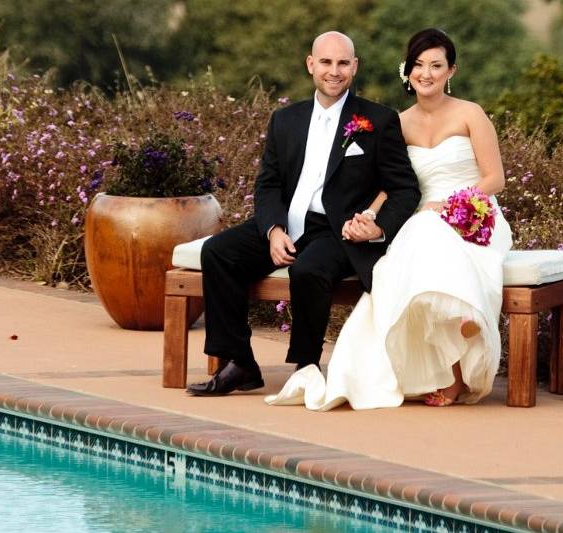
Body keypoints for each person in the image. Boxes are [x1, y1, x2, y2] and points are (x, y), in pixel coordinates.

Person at [266, 28, 513, 409]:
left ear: (452, 71)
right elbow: (390, 184)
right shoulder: (397, 121)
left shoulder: (470, 113)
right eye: (418, 65)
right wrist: (368, 214)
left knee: (429, 231)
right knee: (396, 262)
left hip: (473, 214)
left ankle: (458, 359)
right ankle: (441, 352)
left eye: (436, 65)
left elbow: (494, 177)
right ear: (407, 71)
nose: (426, 74)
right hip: (420, 216)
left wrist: (451, 207)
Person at [187, 31, 420, 397]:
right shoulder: (285, 120)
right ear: (311, 65)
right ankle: (240, 362)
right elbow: (267, 185)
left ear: (354, 67)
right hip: (288, 223)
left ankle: (306, 366)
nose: (334, 71)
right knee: (218, 252)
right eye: (326, 62)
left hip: (336, 230)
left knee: (308, 270)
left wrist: (377, 229)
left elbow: (406, 188)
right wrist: (273, 230)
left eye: (343, 63)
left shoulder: (378, 120)